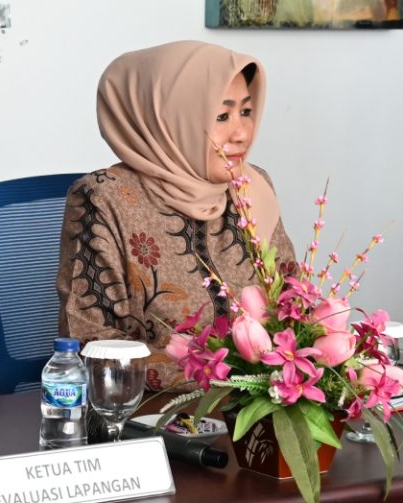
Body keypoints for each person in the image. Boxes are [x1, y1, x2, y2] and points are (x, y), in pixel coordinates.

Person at [56, 40, 298, 391]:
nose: (242, 133)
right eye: (222, 116)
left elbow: (292, 306)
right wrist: (223, 375)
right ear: (169, 118)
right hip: (149, 413)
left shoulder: (251, 187)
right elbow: (91, 342)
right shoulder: (104, 198)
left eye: (246, 111)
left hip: (257, 406)